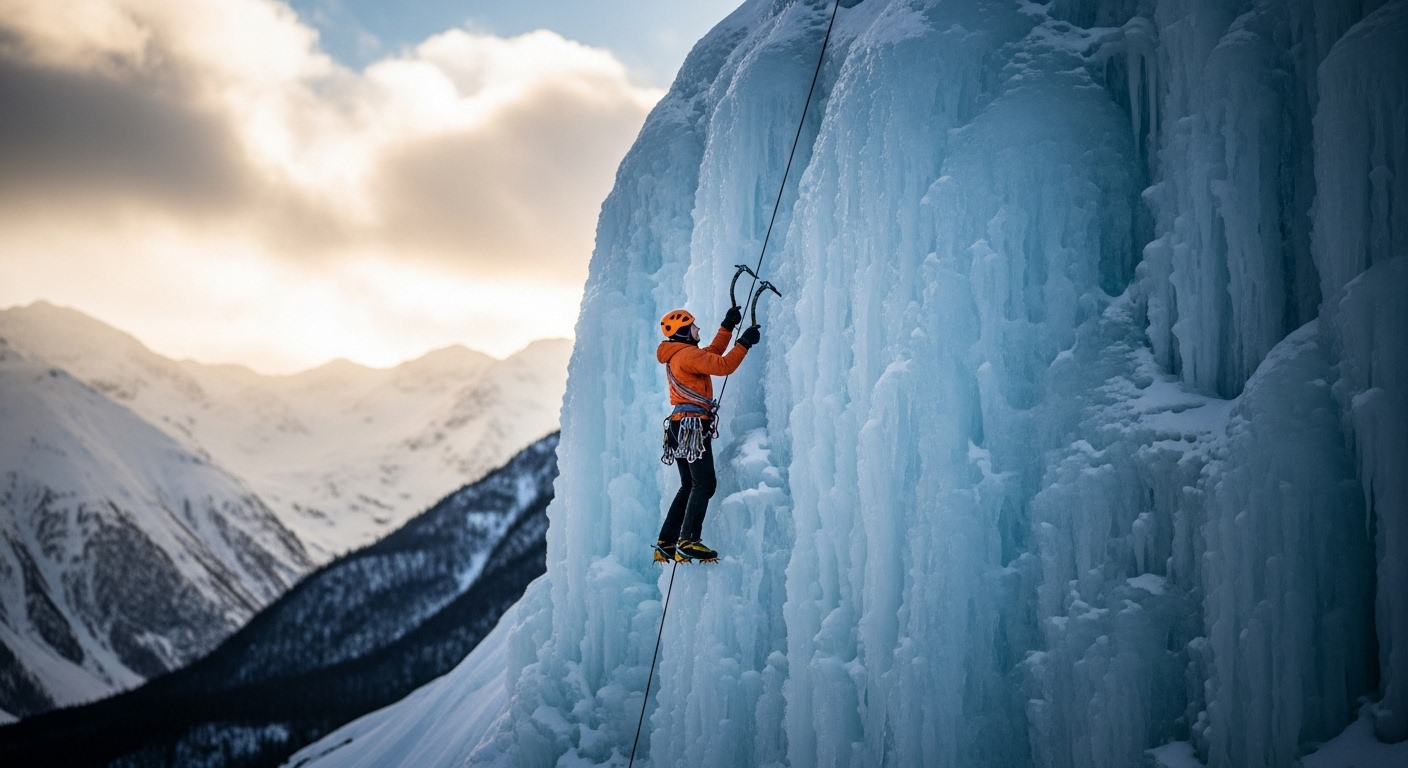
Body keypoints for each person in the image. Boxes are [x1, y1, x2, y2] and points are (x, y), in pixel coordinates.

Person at [655, 306, 761, 562]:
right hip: (692, 426)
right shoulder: (687, 356)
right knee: (705, 483)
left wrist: (727, 327)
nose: (697, 329)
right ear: (683, 332)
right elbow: (723, 365)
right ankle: (688, 540)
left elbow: (711, 355)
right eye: (693, 326)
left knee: (689, 485)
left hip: (679, 427)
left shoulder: (681, 355)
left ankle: (666, 542)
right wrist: (744, 343)